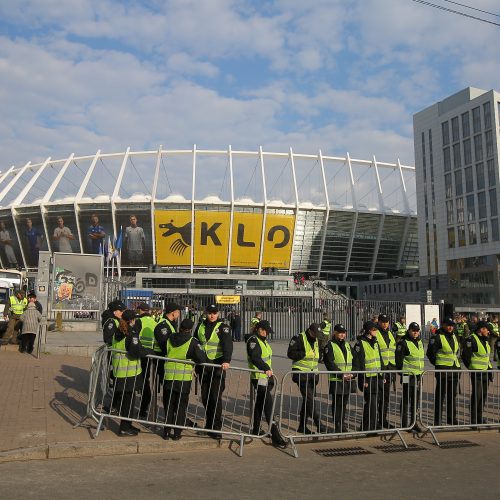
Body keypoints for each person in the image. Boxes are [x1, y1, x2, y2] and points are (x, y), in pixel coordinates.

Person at [159, 318, 207, 440]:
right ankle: (177, 433)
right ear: (190, 329)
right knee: (180, 407)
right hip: (183, 379)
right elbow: (201, 359)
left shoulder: (170, 338)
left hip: (169, 377)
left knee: (169, 405)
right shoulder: (193, 341)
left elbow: (165, 350)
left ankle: (166, 432)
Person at [109, 309, 153, 436]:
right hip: (128, 372)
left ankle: (127, 425)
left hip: (119, 371)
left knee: (126, 401)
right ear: (132, 320)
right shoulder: (130, 333)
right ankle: (124, 428)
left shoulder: (118, 331)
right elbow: (135, 351)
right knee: (128, 402)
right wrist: (147, 352)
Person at [194, 304, 233, 439]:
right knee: (205, 398)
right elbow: (195, 344)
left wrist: (226, 360)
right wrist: (194, 365)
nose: (212, 315)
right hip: (204, 367)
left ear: (218, 313)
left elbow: (228, 344)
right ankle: (209, 425)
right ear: (206, 313)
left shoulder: (223, 327)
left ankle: (216, 428)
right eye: (210, 313)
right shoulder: (200, 326)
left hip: (217, 366)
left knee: (215, 398)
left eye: (215, 313)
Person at [246, 319, 287, 448]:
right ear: (259, 329)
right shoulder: (253, 340)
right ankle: (276, 435)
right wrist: (265, 368)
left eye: (268, 331)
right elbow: (255, 357)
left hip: (265, 377)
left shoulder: (263, 341)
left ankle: (256, 429)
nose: (266, 333)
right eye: (265, 331)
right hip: (259, 378)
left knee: (260, 403)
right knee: (269, 406)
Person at [287, 323, 324, 434]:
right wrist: (303, 354)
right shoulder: (298, 338)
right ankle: (319, 423)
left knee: (307, 400)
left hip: (313, 375)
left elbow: (317, 354)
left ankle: (302, 426)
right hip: (301, 374)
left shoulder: (316, 339)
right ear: (310, 331)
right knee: (309, 399)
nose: (316, 336)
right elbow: (290, 353)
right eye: (315, 334)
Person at [426, 317, 461, 426]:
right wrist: (438, 365)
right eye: (448, 325)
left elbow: (456, 352)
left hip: (454, 370)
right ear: (443, 325)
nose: (450, 327)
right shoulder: (437, 337)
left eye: (452, 325)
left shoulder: (455, 336)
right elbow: (430, 353)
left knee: (452, 396)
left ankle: (451, 418)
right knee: (440, 397)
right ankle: (438, 420)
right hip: (443, 372)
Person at [352, 321, 385, 431]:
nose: (376, 331)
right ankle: (368, 427)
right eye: (374, 329)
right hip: (368, 378)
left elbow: (379, 359)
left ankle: (370, 425)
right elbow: (359, 363)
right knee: (370, 403)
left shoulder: (375, 342)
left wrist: (383, 375)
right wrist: (363, 379)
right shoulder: (360, 343)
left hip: (377, 377)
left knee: (375, 402)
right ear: (368, 331)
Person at [461, 321, 493, 425]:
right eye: (486, 329)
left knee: (483, 396)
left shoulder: (485, 340)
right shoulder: (471, 339)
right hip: (476, 372)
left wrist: (490, 370)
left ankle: (480, 418)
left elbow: (486, 358)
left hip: (485, 372)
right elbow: (465, 356)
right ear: (481, 329)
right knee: (477, 395)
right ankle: (473, 419)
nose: (488, 331)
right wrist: (471, 367)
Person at [323, 323, 353, 433]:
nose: (342, 335)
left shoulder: (347, 345)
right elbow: (329, 363)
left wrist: (353, 373)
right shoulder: (330, 345)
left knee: (344, 403)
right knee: (337, 403)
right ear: (335, 333)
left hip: (347, 379)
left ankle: (342, 424)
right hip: (337, 379)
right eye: (340, 332)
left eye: (343, 333)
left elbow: (354, 359)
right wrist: (341, 374)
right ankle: (337, 424)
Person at [395, 322, 424, 432]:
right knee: (406, 400)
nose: (415, 332)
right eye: (413, 330)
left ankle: (414, 422)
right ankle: (404, 424)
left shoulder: (420, 342)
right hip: (407, 375)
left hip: (418, 375)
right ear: (409, 330)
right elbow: (398, 360)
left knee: (415, 401)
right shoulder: (403, 343)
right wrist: (402, 373)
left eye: (417, 330)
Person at [135, 302, 158, 419]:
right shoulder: (155, 322)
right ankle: (143, 409)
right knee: (145, 382)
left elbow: (134, 338)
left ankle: (128, 407)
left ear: (140, 311)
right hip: (151, 356)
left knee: (137, 381)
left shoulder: (138, 321)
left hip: (138, 355)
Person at [376, 313, 396, 429]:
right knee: (377, 398)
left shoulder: (390, 334)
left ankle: (383, 419)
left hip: (389, 371)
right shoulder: (376, 333)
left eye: (386, 322)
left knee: (385, 398)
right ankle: (376, 421)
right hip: (380, 371)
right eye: (383, 322)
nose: (385, 324)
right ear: (379, 322)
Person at [154, 302, 182, 382]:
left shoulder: (171, 323)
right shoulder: (163, 325)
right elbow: (164, 344)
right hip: (163, 358)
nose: (179, 314)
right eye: (178, 312)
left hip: (169, 358)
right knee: (167, 384)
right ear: (173, 313)